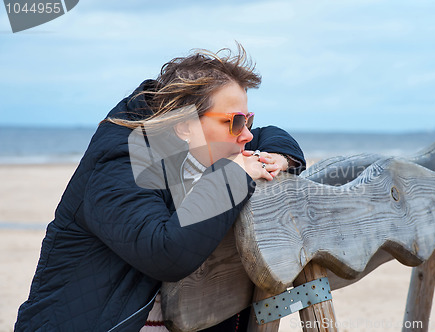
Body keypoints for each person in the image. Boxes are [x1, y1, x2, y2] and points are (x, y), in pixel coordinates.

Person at [15, 44, 306, 332]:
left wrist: (278, 158)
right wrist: (231, 177)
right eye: (236, 122)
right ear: (183, 125)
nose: (247, 134)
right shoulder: (119, 164)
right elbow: (166, 254)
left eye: (248, 119)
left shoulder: (200, 141)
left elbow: (270, 135)